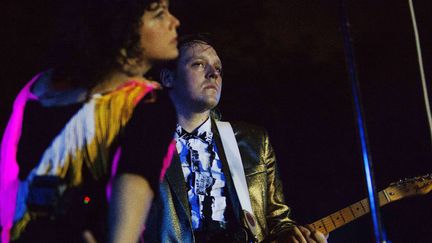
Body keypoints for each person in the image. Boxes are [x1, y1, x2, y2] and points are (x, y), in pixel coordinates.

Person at [0, 1, 179, 242]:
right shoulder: (148, 104)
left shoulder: (36, 89)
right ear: (122, 29)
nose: (174, 22)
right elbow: (132, 188)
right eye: (158, 15)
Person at [141, 35, 328, 242]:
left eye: (218, 69)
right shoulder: (141, 145)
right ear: (168, 78)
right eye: (199, 64)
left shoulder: (253, 141)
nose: (213, 74)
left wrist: (296, 237)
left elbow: (278, 222)